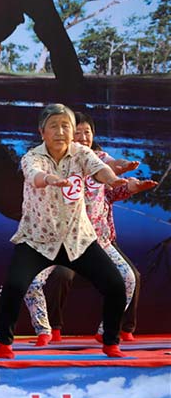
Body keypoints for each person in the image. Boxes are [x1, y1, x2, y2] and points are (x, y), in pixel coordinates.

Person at [0, 104, 128, 360]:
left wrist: (111, 178)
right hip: (37, 239)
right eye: (54, 126)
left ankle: (111, 343)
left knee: (115, 285)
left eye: (65, 125)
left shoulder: (81, 153)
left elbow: (99, 168)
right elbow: (34, 176)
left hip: (77, 239)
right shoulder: (32, 157)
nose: (60, 131)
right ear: (42, 132)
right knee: (14, 286)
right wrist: (50, 179)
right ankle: (4, 345)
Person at [23, 111, 156, 345]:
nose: (84, 137)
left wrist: (127, 178)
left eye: (88, 132)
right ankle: (45, 330)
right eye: (78, 132)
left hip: (96, 239)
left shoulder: (98, 157)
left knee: (128, 278)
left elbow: (111, 168)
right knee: (31, 280)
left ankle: (109, 330)